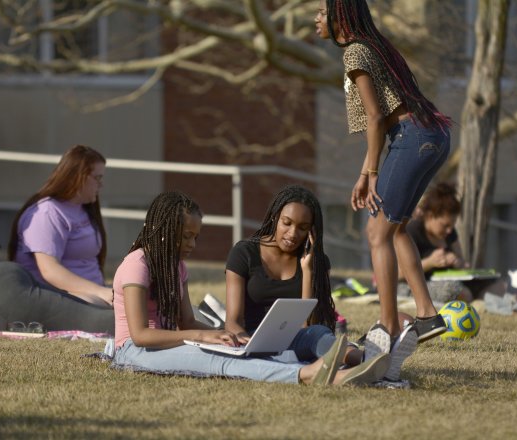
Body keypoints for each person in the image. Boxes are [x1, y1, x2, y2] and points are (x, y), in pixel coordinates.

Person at [111, 190, 390, 385]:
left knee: (231, 351)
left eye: (195, 237)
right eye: (186, 237)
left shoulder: (176, 266)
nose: (192, 245)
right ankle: (306, 375)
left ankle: (347, 364)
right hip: (133, 353)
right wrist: (201, 336)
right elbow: (140, 335)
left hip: (166, 345)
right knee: (215, 361)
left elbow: (185, 320)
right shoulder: (138, 264)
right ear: (164, 230)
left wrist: (225, 336)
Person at [316, 0, 452, 361]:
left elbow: (376, 119)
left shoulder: (354, 52)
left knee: (376, 233)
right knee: (397, 227)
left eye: (320, 12)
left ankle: (388, 326)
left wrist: (373, 174)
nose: (316, 18)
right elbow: (381, 123)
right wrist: (366, 172)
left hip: (411, 137)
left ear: (338, 17)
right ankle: (426, 314)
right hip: (432, 136)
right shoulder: (375, 46)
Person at [225, 185, 369, 369]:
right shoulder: (244, 252)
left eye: (303, 227)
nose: (293, 234)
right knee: (292, 355)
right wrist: (247, 342)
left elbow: (309, 326)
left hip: (296, 341)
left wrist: (308, 271)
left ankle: (367, 362)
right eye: (287, 222)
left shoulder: (316, 262)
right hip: (250, 342)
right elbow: (233, 322)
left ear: (312, 231)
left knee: (318, 335)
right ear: (275, 217)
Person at [8, 145, 113, 307]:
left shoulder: (84, 207)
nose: (101, 185)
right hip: (57, 297)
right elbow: (50, 271)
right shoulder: (47, 212)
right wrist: (100, 292)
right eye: (97, 178)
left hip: (94, 293)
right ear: (78, 177)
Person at [397, 182, 474, 304]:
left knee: (494, 284)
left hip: (445, 282)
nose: (449, 230)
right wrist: (431, 262)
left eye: (452, 226)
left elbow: (461, 260)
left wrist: (458, 263)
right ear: (430, 216)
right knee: (453, 289)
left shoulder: (450, 234)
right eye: (445, 225)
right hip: (411, 286)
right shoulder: (412, 231)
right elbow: (398, 273)